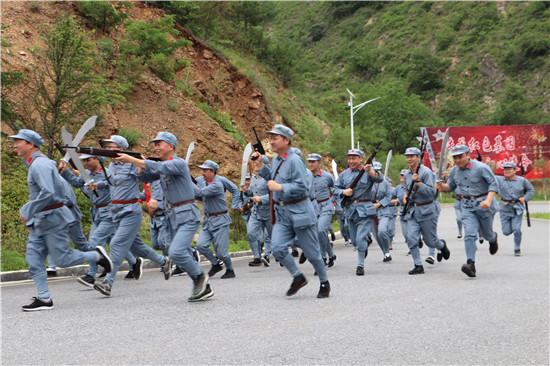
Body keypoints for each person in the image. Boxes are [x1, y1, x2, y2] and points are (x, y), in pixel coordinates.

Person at [9, 129, 112, 311]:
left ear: (30, 144)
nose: (15, 144)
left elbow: (48, 192)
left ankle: (96, 255)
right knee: (33, 258)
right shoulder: (35, 163)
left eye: (19, 141)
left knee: (62, 259)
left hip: (53, 218)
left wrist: (28, 209)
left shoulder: (40, 165)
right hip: (40, 219)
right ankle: (44, 298)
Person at [116, 132, 213, 301]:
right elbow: (143, 177)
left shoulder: (179, 164)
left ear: (171, 146)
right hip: (173, 217)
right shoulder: (162, 165)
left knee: (176, 252)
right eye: (155, 144)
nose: (156, 147)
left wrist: (132, 160)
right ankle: (202, 284)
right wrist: (139, 163)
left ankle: (200, 278)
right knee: (173, 250)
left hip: (187, 215)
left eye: (159, 144)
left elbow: (159, 168)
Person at [252, 125, 330, 298]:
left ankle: (324, 282)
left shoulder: (295, 160)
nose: (271, 141)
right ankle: (298, 277)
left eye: (275, 138)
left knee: (312, 254)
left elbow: (302, 187)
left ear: (286, 140)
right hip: (283, 213)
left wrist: (281, 187)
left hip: (300, 212)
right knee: (278, 249)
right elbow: (272, 177)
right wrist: (261, 167)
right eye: (270, 138)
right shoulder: (277, 160)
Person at [90, 135, 172, 297]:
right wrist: (98, 184)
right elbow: (112, 183)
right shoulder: (112, 166)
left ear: (121, 149)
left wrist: (154, 198)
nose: (108, 150)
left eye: (111, 147)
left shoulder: (132, 163)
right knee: (137, 247)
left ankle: (108, 282)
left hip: (130, 211)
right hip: (116, 211)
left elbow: (153, 180)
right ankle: (165, 262)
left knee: (116, 243)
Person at [59, 154, 140, 286]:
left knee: (94, 242)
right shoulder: (87, 174)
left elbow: (116, 185)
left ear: (97, 159)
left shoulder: (108, 173)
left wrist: (98, 185)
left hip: (108, 212)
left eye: (88, 160)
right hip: (96, 213)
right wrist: (66, 170)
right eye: (84, 161)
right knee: (113, 242)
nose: (85, 163)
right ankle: (134, 263)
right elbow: (76, 183)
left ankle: (91, 275)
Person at [436, 145, 499, 278]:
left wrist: (488, 200)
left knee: (487, 234)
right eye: (455, 157)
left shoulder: (481, 168)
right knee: (470, 234)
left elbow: (494, 184)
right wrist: (442, 186)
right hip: (466, 205)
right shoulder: (454, 170)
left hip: (483, 204)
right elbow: (451, 186)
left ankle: (493, 239)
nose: (458, 160)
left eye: (460, 156)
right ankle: (471, 264)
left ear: (468, 155)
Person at [333, 148, 383, 276]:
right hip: (350, 210)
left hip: (365, 209)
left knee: (360, 239)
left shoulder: (367, 172)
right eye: (349, 158)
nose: (351, 161)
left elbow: (380, 179)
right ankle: (363, 247)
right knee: (354, 241)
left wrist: (370, 171)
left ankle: (360, 265)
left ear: (360, 159)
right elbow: (335, 189)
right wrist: (344, 192)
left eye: (354, 158)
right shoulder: (344, 174)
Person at [402, 147, 450, 275]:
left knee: (430, 241)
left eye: (412, 156)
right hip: (413, 210)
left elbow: (431, 192)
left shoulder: (426, 172)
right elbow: (405, 189)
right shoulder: (407, 174)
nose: (409, 159)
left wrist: (418, 183)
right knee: (411, 237)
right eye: (407, 156)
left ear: (419, 158)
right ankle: (418, 265)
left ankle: (441, 246)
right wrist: (405, 196)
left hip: (427, 209)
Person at [195, 160, 236, 279]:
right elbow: (199, 196)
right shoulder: (205, 183)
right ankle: (215, 264)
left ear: (212, 172)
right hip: (208, 220)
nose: (202, 173)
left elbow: (201, 192)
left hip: (220, 220)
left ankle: (230, 270)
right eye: (202, 170)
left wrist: (188, 185)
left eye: (205, 170)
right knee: (201, 245)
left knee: (221, 252)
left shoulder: (217, 184)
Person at [496, 162, 535, 256]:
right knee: (506, 232)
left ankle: (517, 248)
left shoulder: (522, 180)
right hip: (504, 208)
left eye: (509, 169)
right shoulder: (499, 179)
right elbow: (487, 175)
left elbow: (531, 190)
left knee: (517, 230)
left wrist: (525, 198)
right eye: (505, 169)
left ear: (514, 170)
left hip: (517, 208)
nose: (507, 171)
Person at [307, 153, 337, 267]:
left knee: (321, 230)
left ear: (319, 163)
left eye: (313, 162)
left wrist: (333, 203)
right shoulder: (306, 176)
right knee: (319, 233)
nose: (311, 164)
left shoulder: (327, 176)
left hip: (326, 206)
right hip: (313, 208)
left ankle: (322, 257)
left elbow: (336, 190)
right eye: (309, 162)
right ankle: (332, 254)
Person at [242, 157, 272, 267]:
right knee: (250, 233)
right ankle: (257, 257)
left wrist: (262, 198)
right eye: (254, 163)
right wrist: (246, 191)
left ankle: (269, 255)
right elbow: (252, 192)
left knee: (270, 236)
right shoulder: (254, 178)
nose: (254, 165)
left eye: (257, 163)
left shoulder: (269, 178)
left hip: (268, 211)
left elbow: (275, 195)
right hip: (256, 211)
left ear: (263, 164)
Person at [368, 161, 392, 262]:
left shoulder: (385, 183)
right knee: (376, 235)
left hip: (383, 209)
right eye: (374, 170)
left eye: (378, 170)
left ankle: (387, 250)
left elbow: (389, 196)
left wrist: (379, 204)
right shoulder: (367, 182)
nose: (375, 172)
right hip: (370, 210)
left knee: (382, 231)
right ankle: (385, 253)